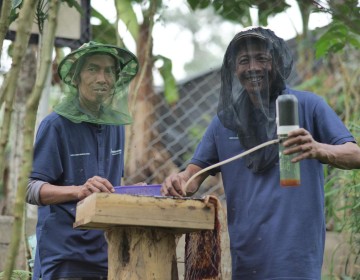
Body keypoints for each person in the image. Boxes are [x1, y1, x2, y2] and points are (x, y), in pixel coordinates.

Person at [161, 26, 360, 279]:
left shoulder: (309, 106)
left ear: (276, 62)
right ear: (234, 69)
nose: (252, 67)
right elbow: (191, 178)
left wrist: (319, 149)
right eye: (244, 61)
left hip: (296, 260)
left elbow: (355, 155)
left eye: (262, 58)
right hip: (247, 260)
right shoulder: (224, 123)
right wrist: (177, 181)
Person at [26, 41, 139, 280]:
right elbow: (30, 189)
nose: (102, 78)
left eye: (109, 71)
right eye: (93, 69)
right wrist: (79, 191)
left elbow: (110, 187)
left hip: (105, 251)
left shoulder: (115, 127)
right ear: (76, 78)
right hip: (64, 254)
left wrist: (133, 194)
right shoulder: (55, 125)